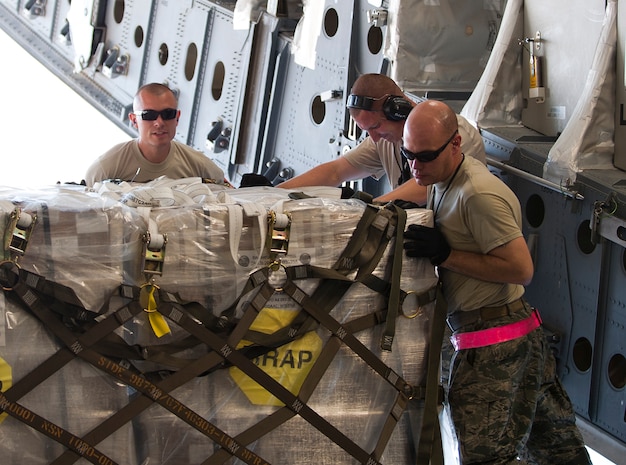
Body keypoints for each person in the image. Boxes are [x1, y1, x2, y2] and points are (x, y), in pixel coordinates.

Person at [402, 100, 591, 464]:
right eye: (408, 154)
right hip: (517, 338)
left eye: (425, 156)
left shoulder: (477, 194)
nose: (415, 166)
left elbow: (521, 269)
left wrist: (447, 256)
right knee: (560, 454)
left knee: (486, 457)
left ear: (455, 144)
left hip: (494, 348)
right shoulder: (444, 180)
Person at [276, 73, 486, 204]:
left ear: (398, 110)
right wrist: (268, 195)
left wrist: (368, 209)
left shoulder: (452, 133)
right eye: (367, 131)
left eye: (376, 126)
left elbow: (425, 187)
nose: (375, 138)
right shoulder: (387, 138)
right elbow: (335, 172)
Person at [85, 83, 226, 187]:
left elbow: (227, 195)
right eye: (149, 115)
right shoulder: (105, 169)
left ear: (177, 117)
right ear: (134, 120)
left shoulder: (200, 167)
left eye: (167, 114)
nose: (159, 122)